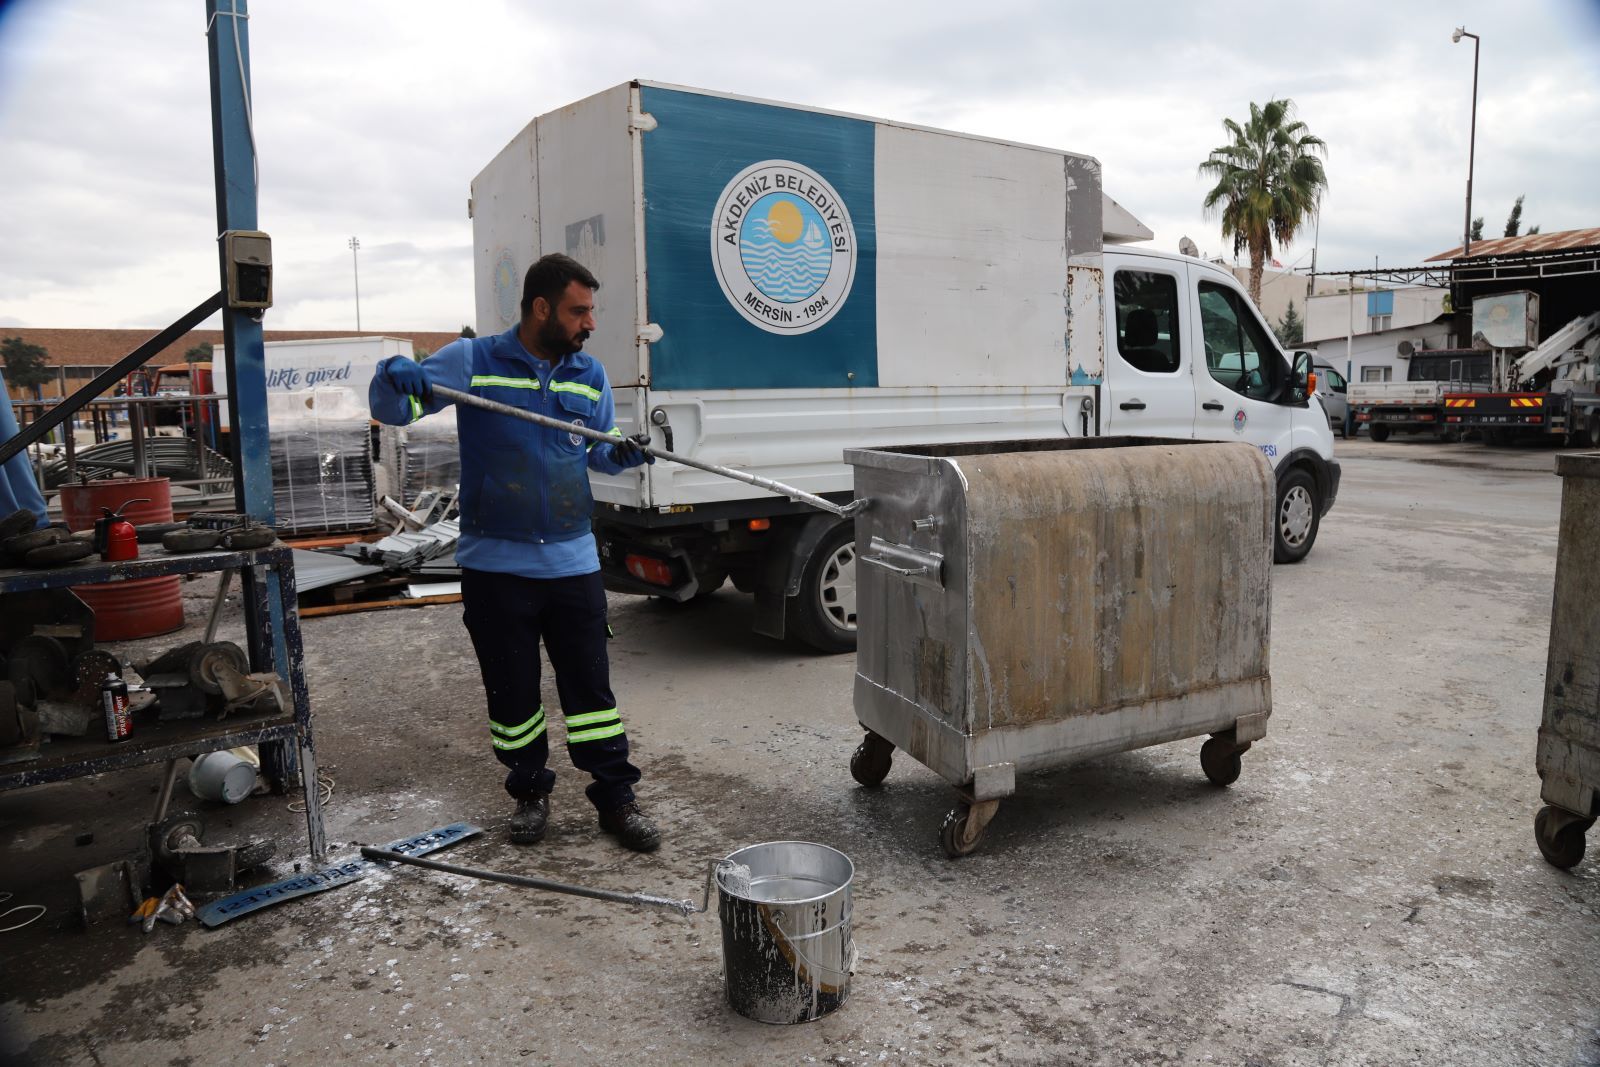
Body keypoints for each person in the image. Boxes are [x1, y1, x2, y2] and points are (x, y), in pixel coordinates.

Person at [368, 254, 661, 851]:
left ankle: (616, 797)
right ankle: (529, 793)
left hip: (573, 565)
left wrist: (621, 454)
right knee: (512, 694)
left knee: (593, 696)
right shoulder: (472, 361)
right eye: (579, 311)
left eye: (591, 311)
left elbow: (597, 450)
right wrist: (393, 373)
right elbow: (393, 410)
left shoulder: (590, 375)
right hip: (496, 570)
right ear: (541, 308)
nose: (590, 323)